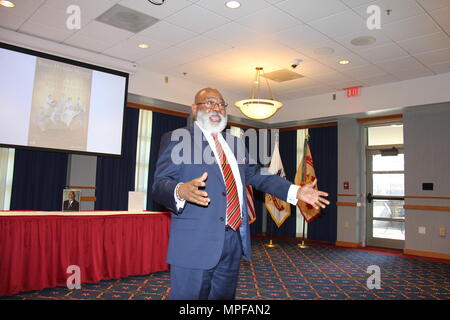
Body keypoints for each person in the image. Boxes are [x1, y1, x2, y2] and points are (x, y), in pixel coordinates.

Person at [152, 88, 330, 300]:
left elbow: (257, 175)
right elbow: (159, 184)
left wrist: (296, 191)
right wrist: (180, 190)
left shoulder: (234, 143)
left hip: (232, 240)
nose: (216, 108)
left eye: (221, 104)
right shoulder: (177, 139)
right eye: (209, 103)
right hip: (195, 244)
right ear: (194, 109)